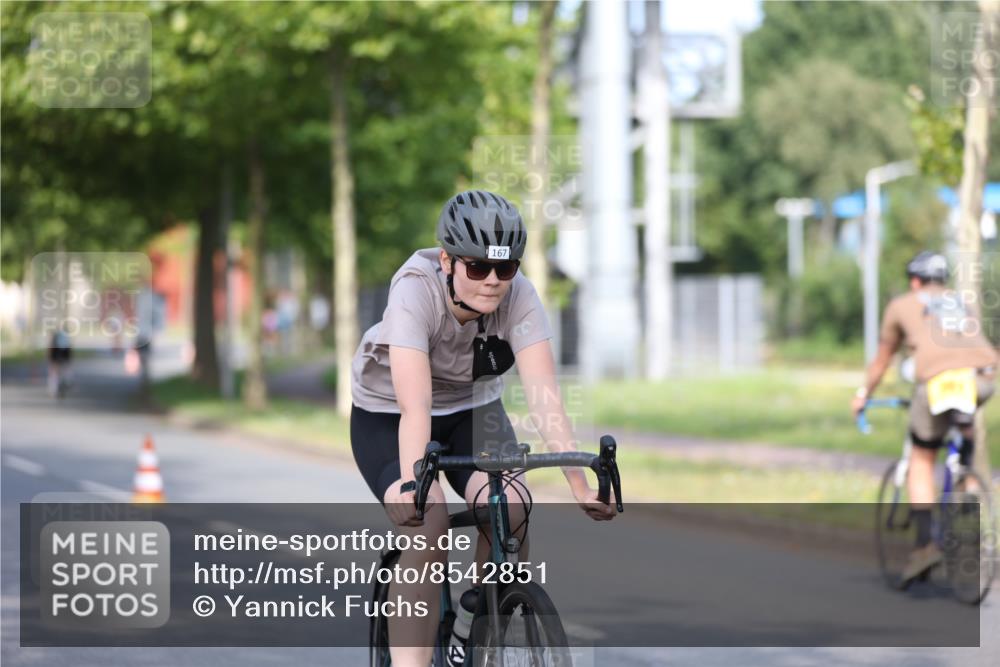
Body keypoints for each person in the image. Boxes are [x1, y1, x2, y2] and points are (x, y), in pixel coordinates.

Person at [350, 190, 616, 666]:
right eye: (477, 268)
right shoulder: (414, 290)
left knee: (511, 505)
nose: (493, 281)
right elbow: (417, 409)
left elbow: (544, 397)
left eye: (506, 268)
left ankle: (477, 633)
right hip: (391, 411)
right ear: (448, 261)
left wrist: (579, 484)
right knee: (427, 524)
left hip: (473, 408)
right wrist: (414, 485)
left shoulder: (520, 296)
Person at [851, 251, 997, 583]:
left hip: (939, 381)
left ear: (914, 280)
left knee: (921, 457)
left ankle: (923, 547)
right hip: (983, 377)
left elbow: (882, 359)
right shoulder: (961, 302)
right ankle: (969, 487)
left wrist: (863, 395)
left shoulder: (902, 305)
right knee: (964, 426)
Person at [47, 326, 73, 398]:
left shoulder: (55, 337)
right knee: (62, 369)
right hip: (63, 353)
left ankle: (55, 389)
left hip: (57, 353)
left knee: (55, 371)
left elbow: (50, 349)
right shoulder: (65, 337)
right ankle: (65, 382)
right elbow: (69, 349)